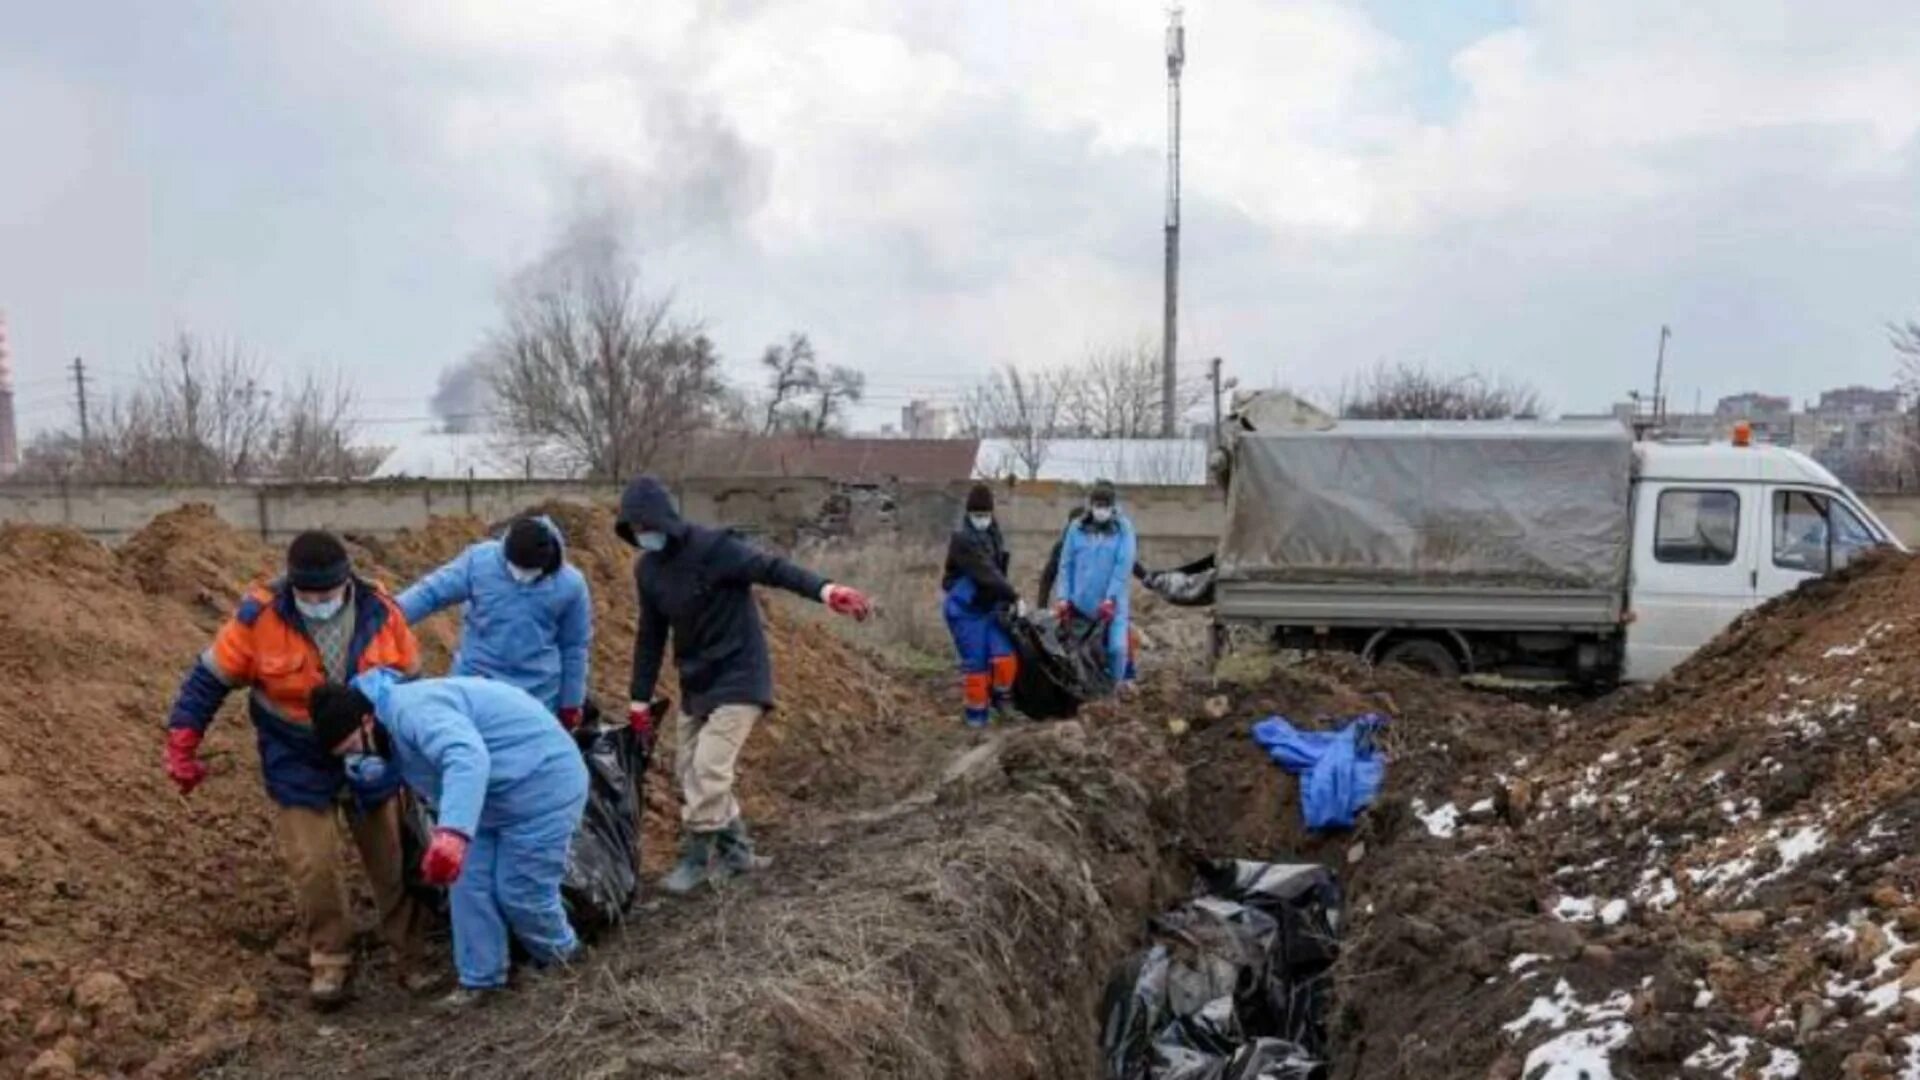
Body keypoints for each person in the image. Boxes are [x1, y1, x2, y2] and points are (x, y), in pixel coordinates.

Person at [163, 530, 426, 1006]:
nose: (318, 603)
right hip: (296, 752)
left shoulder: (380, 611)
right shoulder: (259, 617)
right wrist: (184, 736)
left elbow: (412, 683)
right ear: (292, 587)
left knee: (391, 857)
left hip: (369, 746)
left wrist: (407, 749)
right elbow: (208, 679)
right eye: (308, 595)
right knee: (314, 864)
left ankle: (410, 955)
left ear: (346, 583)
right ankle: (330, 961)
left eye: (327, 595)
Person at [615, 476, 873, 895]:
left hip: (739, 673)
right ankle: (738, 852)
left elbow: (773, 569)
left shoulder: (715, 550)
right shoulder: (649, 571)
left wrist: (826, 590)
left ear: (665, 519)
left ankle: (696, 861)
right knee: (689, 772)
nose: (643, 536)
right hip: (697, 680)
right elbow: (650, 636)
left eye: (647, 526)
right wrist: (638, 701)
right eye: (635, 529)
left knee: (709, 769)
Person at [309, 669, 589, 1010]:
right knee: (468, 886)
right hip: (491, 798)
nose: (355, 757)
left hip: (541, 784)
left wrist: (453, 834)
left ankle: (566, 961)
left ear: (367, 721)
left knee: (520, 890)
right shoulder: (385, 729)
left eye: (353, 747)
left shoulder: (413, 711)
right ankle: (481, 980)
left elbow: (466, 758)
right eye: (344, 755)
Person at [397, 515, 593, 725]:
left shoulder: (570, 585)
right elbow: (431, 593)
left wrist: (571, 703)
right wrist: (387, 616)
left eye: (529, 572)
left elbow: (574, 647)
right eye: (516, 568)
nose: (521, 576)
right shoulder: (479, 562)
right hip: (475, 683)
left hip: (536, 694)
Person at [941, 483, 1023, 728]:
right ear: (968, 514)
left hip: (989, 606)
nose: (982, 519)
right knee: (976, 665)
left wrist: (1004, 599)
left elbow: (998, 571)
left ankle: (1001, 700)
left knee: (1005, 657)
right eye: (977, 515)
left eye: (985, 515)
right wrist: (1014, 596)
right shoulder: (962, 540)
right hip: (964, 610)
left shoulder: (994, 535)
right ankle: (976, 717)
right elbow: (985, 572)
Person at [1051, 480, 1139, 689]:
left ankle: (1114, 688)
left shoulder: (1123, 529)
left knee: (1117, 649)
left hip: (1112, 604)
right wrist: (1064, 597)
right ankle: (1090, 692)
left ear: (1113, 506)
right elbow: (1066, 564)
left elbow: (1123, 565)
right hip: (1081, 605)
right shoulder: (1077, 528)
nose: (1101, 510)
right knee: (1081, 654)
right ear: (1090, 505)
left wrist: (1111, 597)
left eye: (1105, 505)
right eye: (1097, 505)